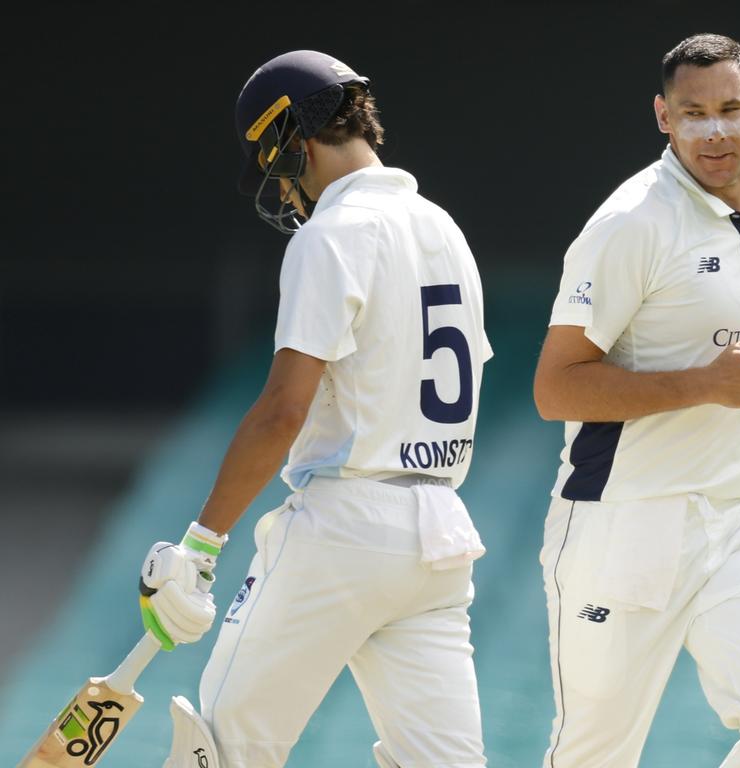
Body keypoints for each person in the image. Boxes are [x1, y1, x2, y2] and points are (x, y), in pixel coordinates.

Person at [138, 49, 493, 768]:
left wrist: (202, 544)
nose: (282, 189)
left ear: (293, 141)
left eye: (274, 166)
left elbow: (281, 412)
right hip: (441, 538)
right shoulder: (444, 230)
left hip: (345, 529)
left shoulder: (333, 235)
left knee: (225, 746)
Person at [532, 33, 740, 768]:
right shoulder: (632, 222)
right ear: (663, 118)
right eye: (693, 113)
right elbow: (555, 386)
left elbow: (732, 345)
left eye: (730, 108)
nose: (715, 130)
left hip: (739, 518)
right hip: (624, 526)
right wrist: (708, 387)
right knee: (592, 758)